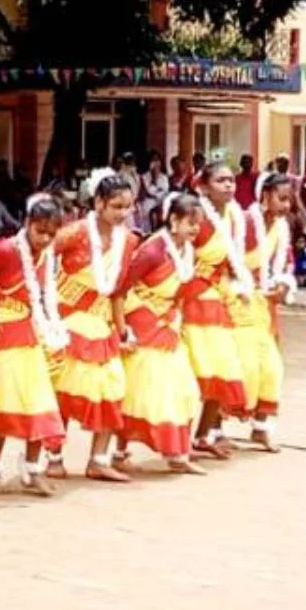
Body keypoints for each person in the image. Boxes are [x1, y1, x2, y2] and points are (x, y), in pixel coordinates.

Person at [46, 169, 139, 482]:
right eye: (116, 206)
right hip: (67, 320)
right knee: (63, 391)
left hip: (101, 324)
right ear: (98, 203)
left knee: (112, 389)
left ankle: (98, 459)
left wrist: (123, 327)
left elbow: (118, 289)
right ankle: (53, 456)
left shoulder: (128, 241)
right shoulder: (74, 233)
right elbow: (40, 254)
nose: (122, 213)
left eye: (127, 207)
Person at [0, 193, 67, 497]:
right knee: (4, 408)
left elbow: (45, 297)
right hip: (3, 336)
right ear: (27, 224)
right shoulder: (5, 251)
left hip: (31, 335)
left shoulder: (48, 255)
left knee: (41, 404)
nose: (44, 239)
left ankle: (32, 469)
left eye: (51, 234)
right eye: (39, 231)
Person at [116, 193, 204, 475]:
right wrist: (124, 330)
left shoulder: (185, 250)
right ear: (173, 220)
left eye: (198, 224)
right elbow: (121, 290)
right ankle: (121, 451)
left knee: (183, 389)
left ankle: (177, 451)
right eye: (190, 223)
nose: (195, 229)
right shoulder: (152, 251)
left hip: (168, 323)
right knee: (143, 390)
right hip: (143, 323)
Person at [186, 161, 252, 459]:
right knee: (194, 372)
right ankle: (179, 438)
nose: (229, 185)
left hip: (217, 298)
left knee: (222, 367)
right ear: (203, 186)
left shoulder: (235, 216)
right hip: (191, 299)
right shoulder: (195, 216)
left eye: (231, 180)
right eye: (221, 180)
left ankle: (205, 434)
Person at [238, 173, 293, 451]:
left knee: (272, 368)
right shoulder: (246, 223)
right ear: (265, 196)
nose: (285, 206)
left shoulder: (282, 228)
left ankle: (261, 427)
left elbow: (287, 263)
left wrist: (283, 285)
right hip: (240, 303)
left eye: (288, 200)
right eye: (281, 198)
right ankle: (211, 430)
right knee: (242, 368)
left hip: (266, 306)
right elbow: (229, 260)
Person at [140, 152, 169, 231]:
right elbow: (148, 191)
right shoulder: (144, 176)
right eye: (153, 160)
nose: (155, 163)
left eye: (157, 160)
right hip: (147, 205)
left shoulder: (164, 177)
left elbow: (164, 192)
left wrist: (154, 193)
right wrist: (154, 179)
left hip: (160, 204)